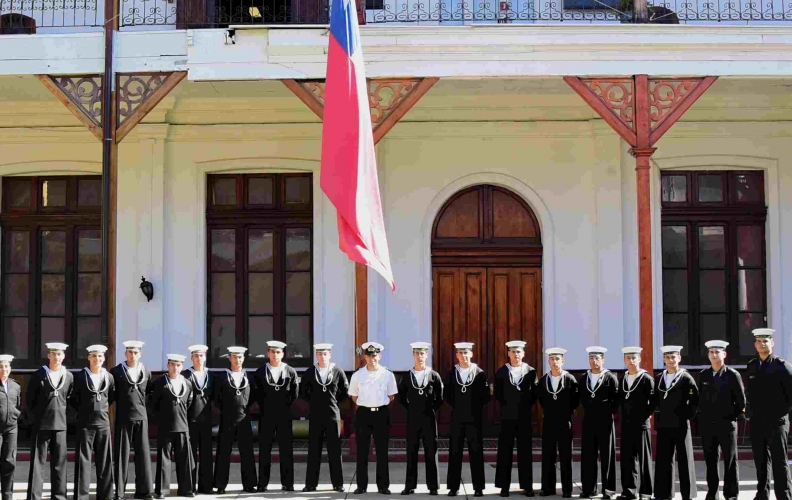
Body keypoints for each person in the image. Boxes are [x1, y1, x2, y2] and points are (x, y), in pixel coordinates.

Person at [746, 328, 792, 500]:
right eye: (759, 341)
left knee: (780, 461)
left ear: (772, 343)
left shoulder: (782, 366)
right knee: (761, 461)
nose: (762, 344)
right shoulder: (752, 366)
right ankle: (762, 494)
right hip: (758, 421)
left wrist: (783, 413)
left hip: (776, 421)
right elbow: (750, 393)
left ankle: (784, 495)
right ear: (755, 344)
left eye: (765, 341)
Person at [698, 340, 745, 500]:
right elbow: (700, 401)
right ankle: (712, 493)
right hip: (708, 426)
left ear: (724, 354)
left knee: (730, 461)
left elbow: (741, 401)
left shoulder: (732, 375)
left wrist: (729, 416)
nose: (713, 355)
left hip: (726, 425)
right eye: (711, 352)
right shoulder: (703, 375)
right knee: (711, 461)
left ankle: (731, 494)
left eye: (717, 352)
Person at [349, 342, 398, 495]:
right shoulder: (358, 375)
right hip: (363, 414)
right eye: (369, 356)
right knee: (362, 451)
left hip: (381, 414)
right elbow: (354, 396)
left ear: (380, 356)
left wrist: (377, 405)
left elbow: (391, 396)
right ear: (365, 357)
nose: (372, 359)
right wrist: (366, 404)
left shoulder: (387, 374)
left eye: (375, 355)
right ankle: (361, 486)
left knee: (382, 451)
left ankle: (383, 486)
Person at [27, 342, 73, 500]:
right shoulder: (39, 374)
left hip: (60, 425)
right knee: (37, 464)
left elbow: (70, 399)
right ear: (48, 355)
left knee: (60, 463)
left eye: (59, 354)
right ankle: (34, 496)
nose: (56, 357)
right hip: (41, 425)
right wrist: (38, 417)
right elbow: (30, 400)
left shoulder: (68, 376)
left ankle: (59, 496)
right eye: (53, 354)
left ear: (64, 356)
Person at [301, 343, 349, 493]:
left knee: (334, 450)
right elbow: (303, 392)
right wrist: (315, 403)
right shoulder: (310, 372)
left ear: (330, 355)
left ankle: (338, 484)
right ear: (316, 355)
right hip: (315, 416)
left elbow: (345, 392)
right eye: (320, 354)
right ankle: (310, 484)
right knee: (314, 450)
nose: (322, 356)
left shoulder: (338, 371)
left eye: (325, 354)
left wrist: (333, 402)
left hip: (332, 415)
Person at [398, 342, 444, 496]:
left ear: (426, 355)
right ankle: (409, 485)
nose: (420, 356)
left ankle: (433, 486)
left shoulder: (433, 375)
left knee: (431, 451)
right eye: (417, 353)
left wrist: (430, 409)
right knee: (411, 451)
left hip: (429, 418)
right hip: (413, 418)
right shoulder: (407, 376)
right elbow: (401, 397)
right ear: (413, 355)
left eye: (422, 353)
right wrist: (412, 409)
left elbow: (440, 397)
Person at [653, 345, 698, 500]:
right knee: (663, 460)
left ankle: (688, 494)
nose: (671, 360)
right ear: (664, 359)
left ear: (679, 358)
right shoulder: (659, 378)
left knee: (685, 460)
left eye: (674, 357)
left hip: (680, 424)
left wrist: (687, 416)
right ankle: (663, 493)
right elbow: (654, 401)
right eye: (668, 357)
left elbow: (695, 401)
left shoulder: (686, 377)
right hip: (664, 424)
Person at [444, 342, 489, 498]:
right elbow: (447, 394)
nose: (463, 356)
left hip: (474, 419)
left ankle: (478, 488)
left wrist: (474, 408)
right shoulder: (452, 372)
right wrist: (458, 406)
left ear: (471, 354)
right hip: (457, 418)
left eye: (466, 353)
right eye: (461, 353)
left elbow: (485, 396)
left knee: (476, 452)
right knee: (455, 452)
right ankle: (453, 487)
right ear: (457, 355)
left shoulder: (479, 373)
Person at [71, 345, 115, 500]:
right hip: (85, 424)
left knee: (105, 460)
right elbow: (74, 398)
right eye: (94, 356)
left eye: (100, 356)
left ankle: (105, 494)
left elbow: (110, 397)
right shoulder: (81, 376)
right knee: (83, 461)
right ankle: (81, 495)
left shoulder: (108, 376)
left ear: (104, 358)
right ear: (89, 357)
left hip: (103, 423)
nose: (98, 359)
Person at [111, 340, 154, 500]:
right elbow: (111, 394)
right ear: (125, 354)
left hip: (141, 418)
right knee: (121, 456)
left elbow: (149, 392)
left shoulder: (146, 372)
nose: (133, 355)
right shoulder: (116, 372)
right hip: (123, 418)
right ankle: (120, 492)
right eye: (130, 352)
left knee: (143, 455)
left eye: (136, 352)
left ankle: (144, 491)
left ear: (140, 354)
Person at [494, 340, 537, 498]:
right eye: (513, 352)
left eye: (519, 352)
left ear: (523, 353)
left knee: (525, 452)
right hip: (507, 416)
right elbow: (498, 393)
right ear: (508, 353)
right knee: (505, 451)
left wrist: (524, 405)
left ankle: (527, 486)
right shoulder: (502, 371)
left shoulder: (531, 371)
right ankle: (504, 487)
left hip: (524, 416)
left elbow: (534, 394)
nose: (516, 354)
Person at [254, 340, 298, 492]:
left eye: (278, 352)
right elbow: (257, 393)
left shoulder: (290, 371)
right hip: (266, 415)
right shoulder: (260, 372)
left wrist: (284, 406)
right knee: (264, 449)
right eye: (272, 352)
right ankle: (262, 483)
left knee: (286, 449)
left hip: (284, 415)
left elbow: (294, 393)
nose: (275, 355)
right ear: (268, 353)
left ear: (283, 354)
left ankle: (288, 483)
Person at [535, 347, 579, 499]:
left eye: (557, 359)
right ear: (548, 361)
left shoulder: (570, 379)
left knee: (566, 455)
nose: (554, 362)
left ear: (563, 361)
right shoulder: (543, 380)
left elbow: (575, 400)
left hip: (564, 421)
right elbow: (541, 399)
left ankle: (567, 489)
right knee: (548, 455)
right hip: (549, 421)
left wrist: (566, 412)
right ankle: (548, 488)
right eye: (552, 359)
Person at [213, 346, 257, 494]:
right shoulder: (222, 377)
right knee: (223, 451)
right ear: (229, 358)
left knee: (247, 452)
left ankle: (249, 484)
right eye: (234, 357)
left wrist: (243, 407)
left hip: (244, 418)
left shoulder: (249, 377)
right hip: (227, 418)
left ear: (243, 358)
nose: (237, 360)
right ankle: (220, 485)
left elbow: (253, 397)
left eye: (240, 357)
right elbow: (216, 398)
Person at [579, 346, 619, 499]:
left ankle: (608, 490)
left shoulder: (610, 377)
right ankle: (589, 488)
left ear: (603, 360)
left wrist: (608, 411)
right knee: (588, 455)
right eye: (591, 358)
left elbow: (616, 398)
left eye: (597, 358)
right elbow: (581, 397)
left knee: (607, 455)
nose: (594, 361)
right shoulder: (584, 377)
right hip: (589, 419)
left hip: (605, 420)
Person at [152, 354, 194, 498]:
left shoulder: (187, 383)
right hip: (166, 427)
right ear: (168, 365)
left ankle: (186, 489)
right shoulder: (160, 383)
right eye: (172, 365)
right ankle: (162, 491)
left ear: (182, 366)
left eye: (178, 365)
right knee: (164, 461)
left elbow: (189, 404)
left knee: (184, 460)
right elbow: (154, 405)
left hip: (182, 427)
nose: (175, 368)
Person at [617, 347, 654, 500]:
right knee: (627, 460)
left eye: (634, 357)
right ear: (624, 360)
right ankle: (629, 491)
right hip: (626, 425)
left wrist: (644, 416)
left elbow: (653, 402)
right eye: (628, 358)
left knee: (644, 459)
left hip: (641, 425)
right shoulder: (623, 378)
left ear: (639, 359)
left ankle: (645, 493)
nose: (631, 361)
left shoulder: (646, 378)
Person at [183, 345, 213, 495]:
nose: (199, 358)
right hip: (190, 420)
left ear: (205, 357)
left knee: (207, 454)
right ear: (191, 358)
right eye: (196, 356)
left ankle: (206, 486)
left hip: (206, 420)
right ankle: (190, 487)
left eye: (201, 355)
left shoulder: (212, 375)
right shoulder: (185, 375)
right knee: (190, 455)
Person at [0, 355, 21, 500]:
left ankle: (7, 495)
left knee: (9, 462)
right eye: (1, 366)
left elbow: (18, 404)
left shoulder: (16, 386)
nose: (4, 369)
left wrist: (15, 415)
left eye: (6, 366)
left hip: (11, 429)